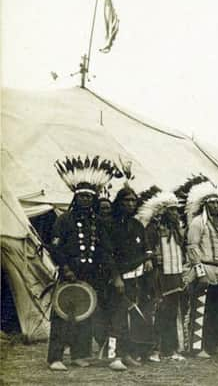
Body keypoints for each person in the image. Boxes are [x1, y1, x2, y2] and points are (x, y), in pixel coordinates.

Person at [47, 156, 118, 371]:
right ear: (75, 199)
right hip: (70, 273)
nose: (86, 200)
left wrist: (109, 272)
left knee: (86, 315)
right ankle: (55, 357)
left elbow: (105, 250)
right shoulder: (64, 220)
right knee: (63, 314)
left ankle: (79, 354)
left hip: (91, 275)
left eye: (89, 197)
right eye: (82, 197)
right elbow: (56, 247)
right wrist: (65, 268)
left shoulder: (97, 222)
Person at [137, 190, 186, 362]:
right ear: (163, 211)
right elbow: (147, 249)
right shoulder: (153, 228)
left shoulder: (177, 229)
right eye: (171, 210)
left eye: (176, 210)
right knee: (158, 311)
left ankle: (169, 349)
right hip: (159, 275)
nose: (175, 213)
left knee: (171, 313)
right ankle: (153, 350)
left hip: (175, 274)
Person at [110, 186, 155, 370]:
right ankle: (113, 357)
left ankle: (127, 353)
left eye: (133, 200)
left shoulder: (137, 225)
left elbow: (146, 248)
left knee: (131, 318)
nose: (130, 204)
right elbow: (108, 255)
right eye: (126, 200)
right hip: (118, 279)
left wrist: (149, 259)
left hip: (137, 279)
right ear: (119, 203)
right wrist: (116, 278)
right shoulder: (110, 225)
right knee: (117, 317)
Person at [185, 181, 218, 357]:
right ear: (205, 204)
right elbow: (192, 246)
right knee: (202, 308)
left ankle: (213, 344)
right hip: (205, 268)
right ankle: (198, 347)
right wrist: (199, 269)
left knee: (217, 310)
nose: (215, 205)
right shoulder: (198, 222)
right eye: (212, 202)